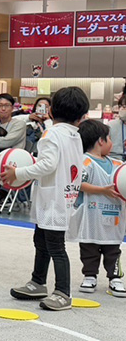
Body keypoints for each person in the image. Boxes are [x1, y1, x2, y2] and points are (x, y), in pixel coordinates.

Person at [4, 86, 89, 311]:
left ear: (51, 111)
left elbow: (48, 164)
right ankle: (37, 282)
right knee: (42, 240)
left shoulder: (51, 133)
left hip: (52, 199)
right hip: (63, 195)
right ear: (81, 116)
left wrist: (18, 173)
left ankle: (63, 292)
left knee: (54, 246)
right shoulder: (75, 135)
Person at [69, 119, 126, 298]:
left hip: (114, 215)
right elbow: (78, 183)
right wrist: (102, 190)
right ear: (101, 141)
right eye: (109, 138)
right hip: (92, 216)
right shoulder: (85, 162)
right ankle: (90, 275)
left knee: (113, 249)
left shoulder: (117, 165)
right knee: (89, 247)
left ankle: (115, 277)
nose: (111, 142)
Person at [107, 91, 126, 160]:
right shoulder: (111, 125)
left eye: (124, 107)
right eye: (120, 107)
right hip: (115, 159)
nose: (121, 109)